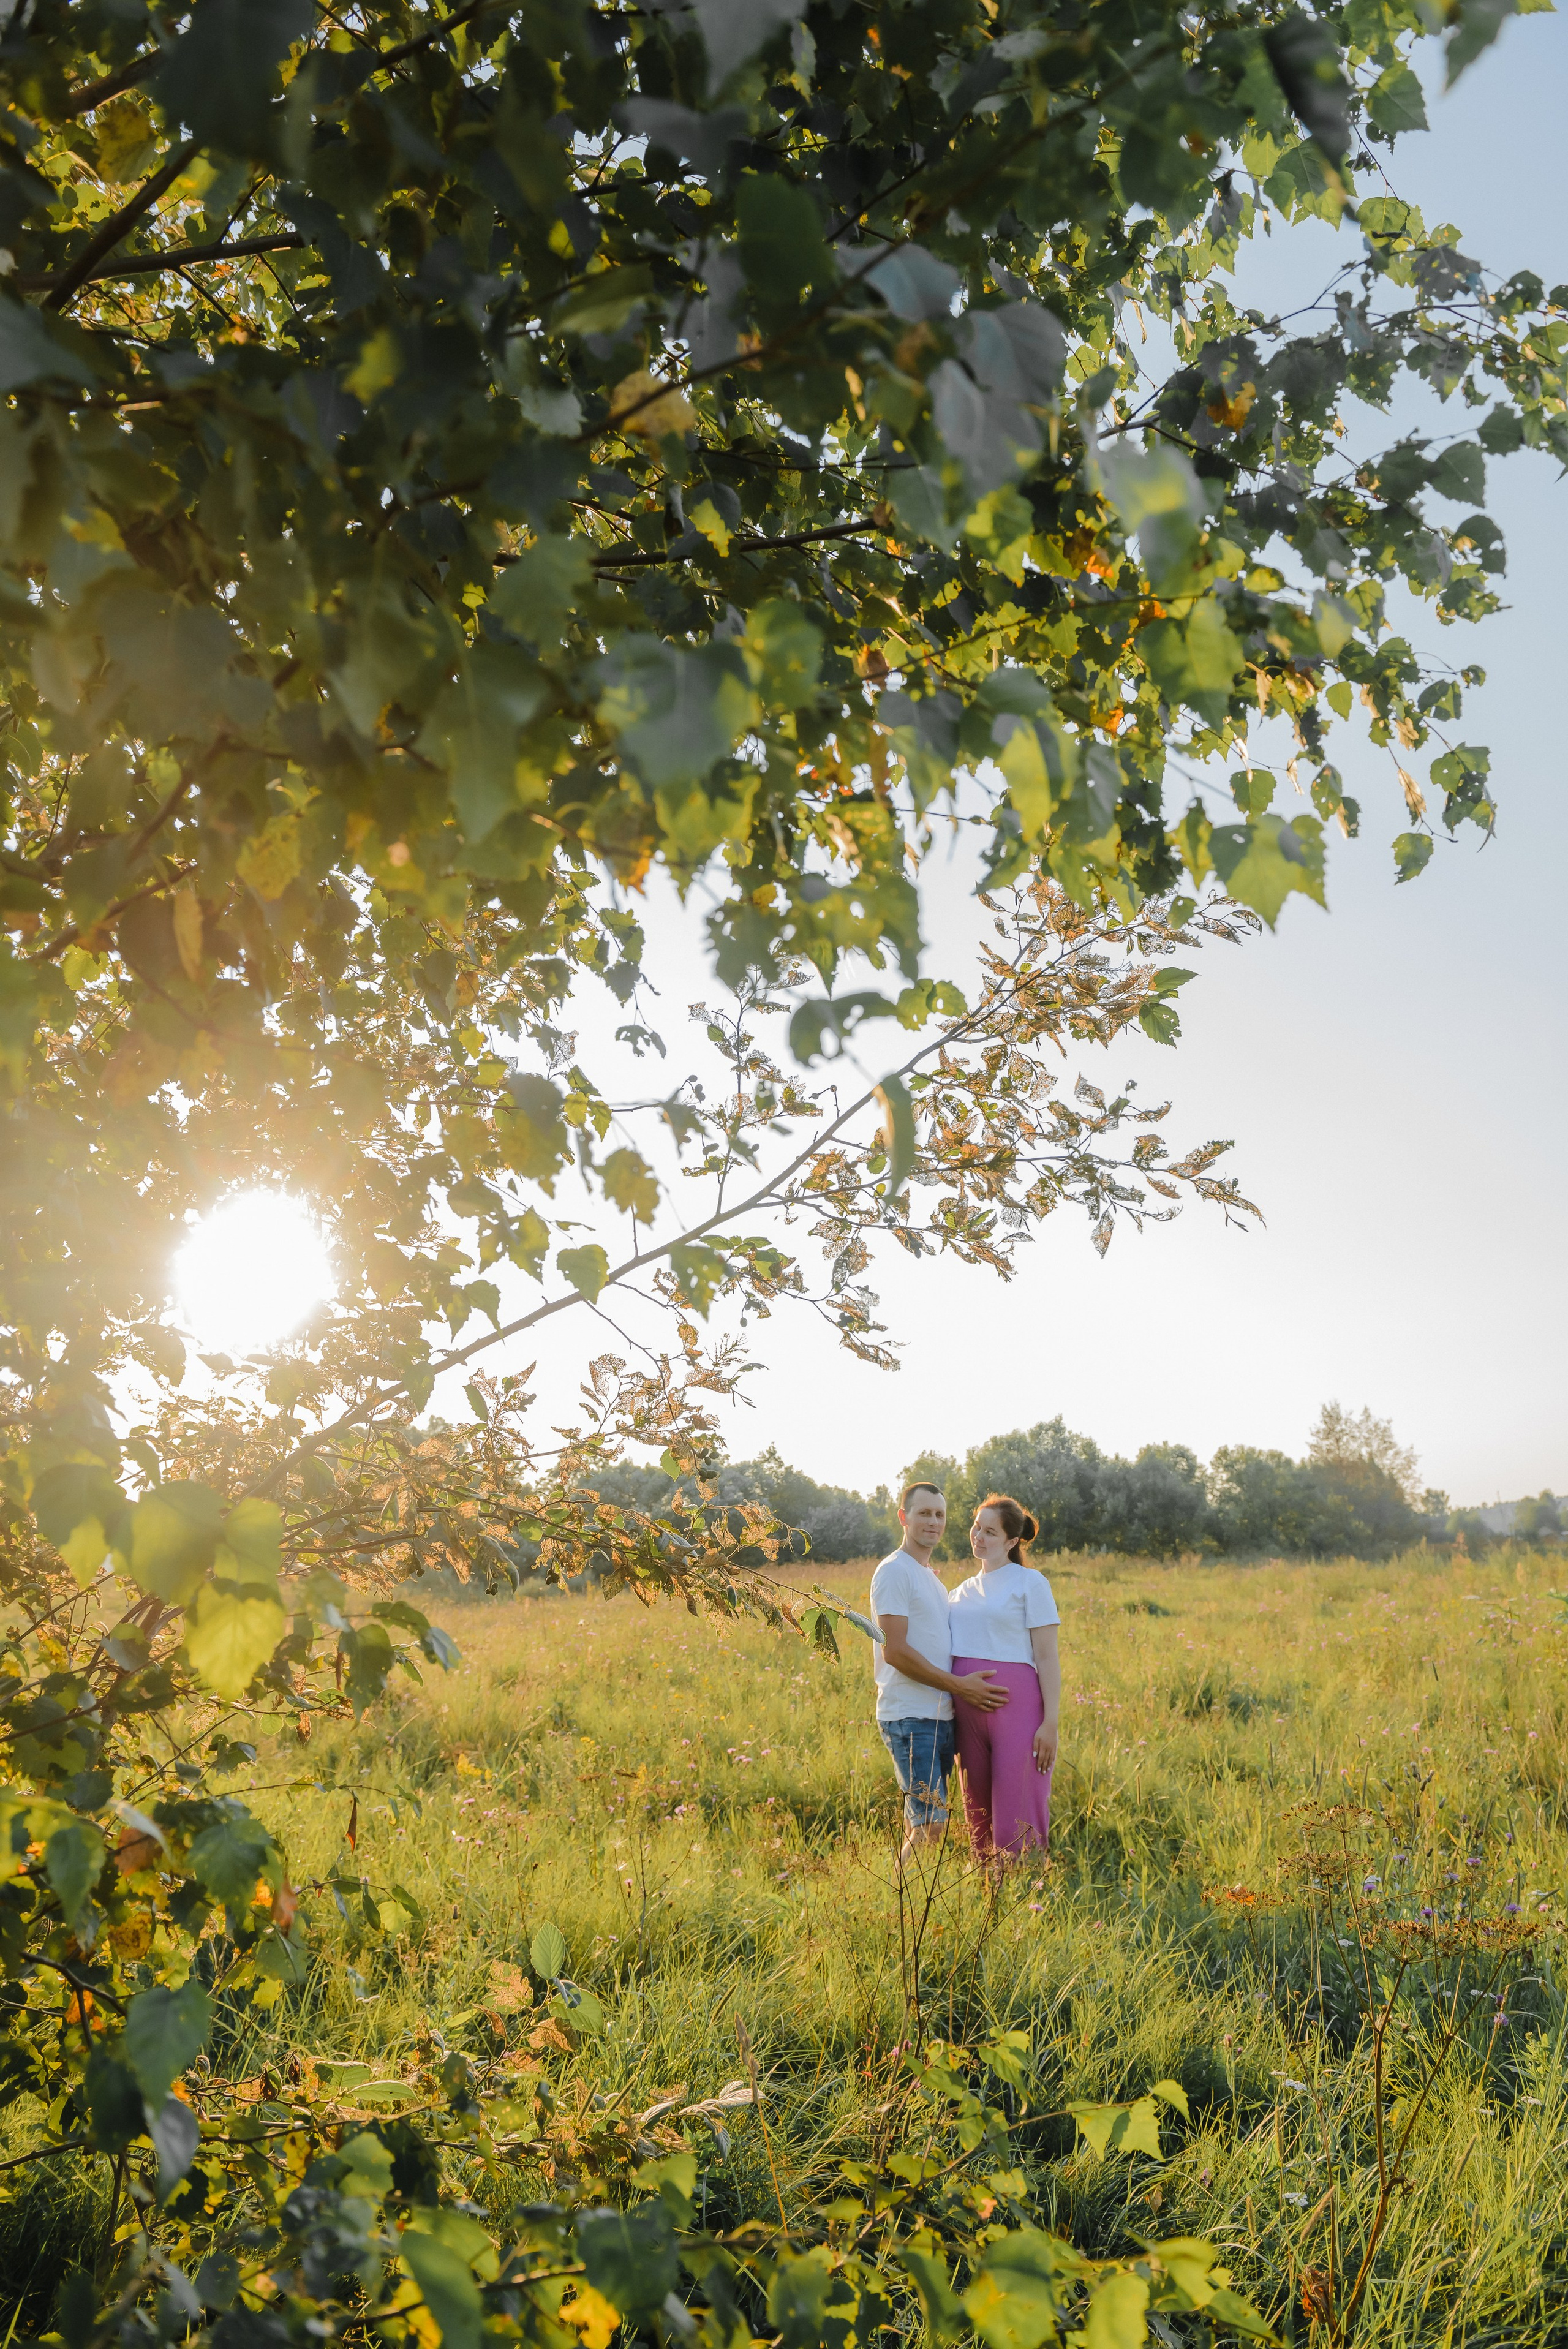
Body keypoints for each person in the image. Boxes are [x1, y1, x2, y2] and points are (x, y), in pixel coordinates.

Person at [869, 1480, 1009, 1872]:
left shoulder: (928, 1575)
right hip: (911, 1717)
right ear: (904, 1517)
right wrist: (960, 1686)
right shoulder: (895, 1571)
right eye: (924, 1513)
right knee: (931, 1826)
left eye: (940, 1515)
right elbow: (894, 1651)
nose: (933, 1522)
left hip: (941, 1716)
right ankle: (897, 1907)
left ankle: (908, 1903)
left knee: (928, 1825)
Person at [948, 1491, 1060, 1865]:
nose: (978, 1536)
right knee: (975, 1808)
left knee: (1018, 1806)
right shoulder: (958, 1593)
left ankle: (1026, 1892)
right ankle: (987, 1891)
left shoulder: (1030, 1583)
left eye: (990, 1532)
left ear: (1012, 1541)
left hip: (1018, 1711)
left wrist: (1051, 1723)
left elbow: (1046, 1656)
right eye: (976, 1527)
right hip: (967, 1712)